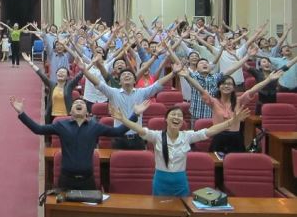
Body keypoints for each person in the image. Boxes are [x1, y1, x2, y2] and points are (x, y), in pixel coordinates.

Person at [111, 101, 250, 196]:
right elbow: (140, 130)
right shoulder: (157, 136)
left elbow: (210, 131)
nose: (176, 117)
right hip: (160, 182)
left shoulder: (187, 136)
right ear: (166, 119)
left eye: (179, 115)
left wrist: (232, 121)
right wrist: (124, 120)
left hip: (180, 182)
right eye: (173, 115)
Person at [11, 97, 139, 190]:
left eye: (82, 103)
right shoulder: (61, 125)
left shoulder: (95, 126)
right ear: (70, 111)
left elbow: (118, 131)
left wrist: (135, 115)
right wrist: (21, 113)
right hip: (66, 179)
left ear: (87, 113)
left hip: (88, 180)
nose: (79, 104)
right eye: (75, 103)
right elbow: (37, 129)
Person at [75, 52, 181, 150]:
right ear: (119, 82)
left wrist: (173, 73)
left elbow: (158, 84)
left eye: (129, 75)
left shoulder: (142, 92)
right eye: (123, 75)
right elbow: (98, 83)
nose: (126, 75)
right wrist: (84, 70)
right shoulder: (113, 92)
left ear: (135, 81)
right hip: (119, 138)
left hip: (138, 138)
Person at [180, 69, 283, 153]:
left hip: (236, 138)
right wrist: (187, 76)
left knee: (237, 165)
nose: (226, 86)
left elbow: (253, 90)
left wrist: (268, 79)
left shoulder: (239, 101)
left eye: (229, 84)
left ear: (233, 87)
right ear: (219, 87)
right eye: (223, 84)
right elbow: (201, 89)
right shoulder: (213, 101)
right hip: (218, 137)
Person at [21, 52, 83, 124]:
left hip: (67, 117)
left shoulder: (69, 86)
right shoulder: (52, 85)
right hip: (53, 116)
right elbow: (41, 74)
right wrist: (30, 63)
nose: (60, 73)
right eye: (59, 72)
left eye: (63, 72)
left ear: (67, 77)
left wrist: (90, 65)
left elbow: (80, 75)